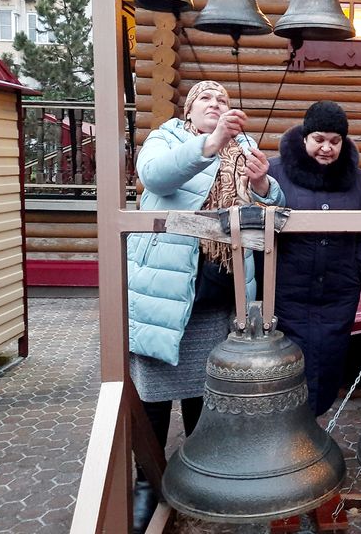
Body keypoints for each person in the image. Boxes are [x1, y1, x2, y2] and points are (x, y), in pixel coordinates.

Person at [126, 80, 284, 533]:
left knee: (205, 391)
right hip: (165, 292)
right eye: (206, 99)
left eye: (223, 99)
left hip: (218, 293)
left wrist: (263, 182)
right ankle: (148, 481)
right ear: (189, 110)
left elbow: (272, 209)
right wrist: (210, 143)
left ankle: (197, 472)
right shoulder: (167, 139)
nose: (216, 104)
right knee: (154, 391)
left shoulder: (244, 146)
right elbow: (156, 177)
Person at [268, 100, 361, 417]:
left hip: (338, 292)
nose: (327, 148)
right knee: (288, 363)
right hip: (289, 292)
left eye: (335, 141)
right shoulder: (276, 172)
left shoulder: (355, 178)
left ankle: (313, 428)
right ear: (305, 137)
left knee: (329, 361)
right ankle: (289, 430)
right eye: (319, 139)